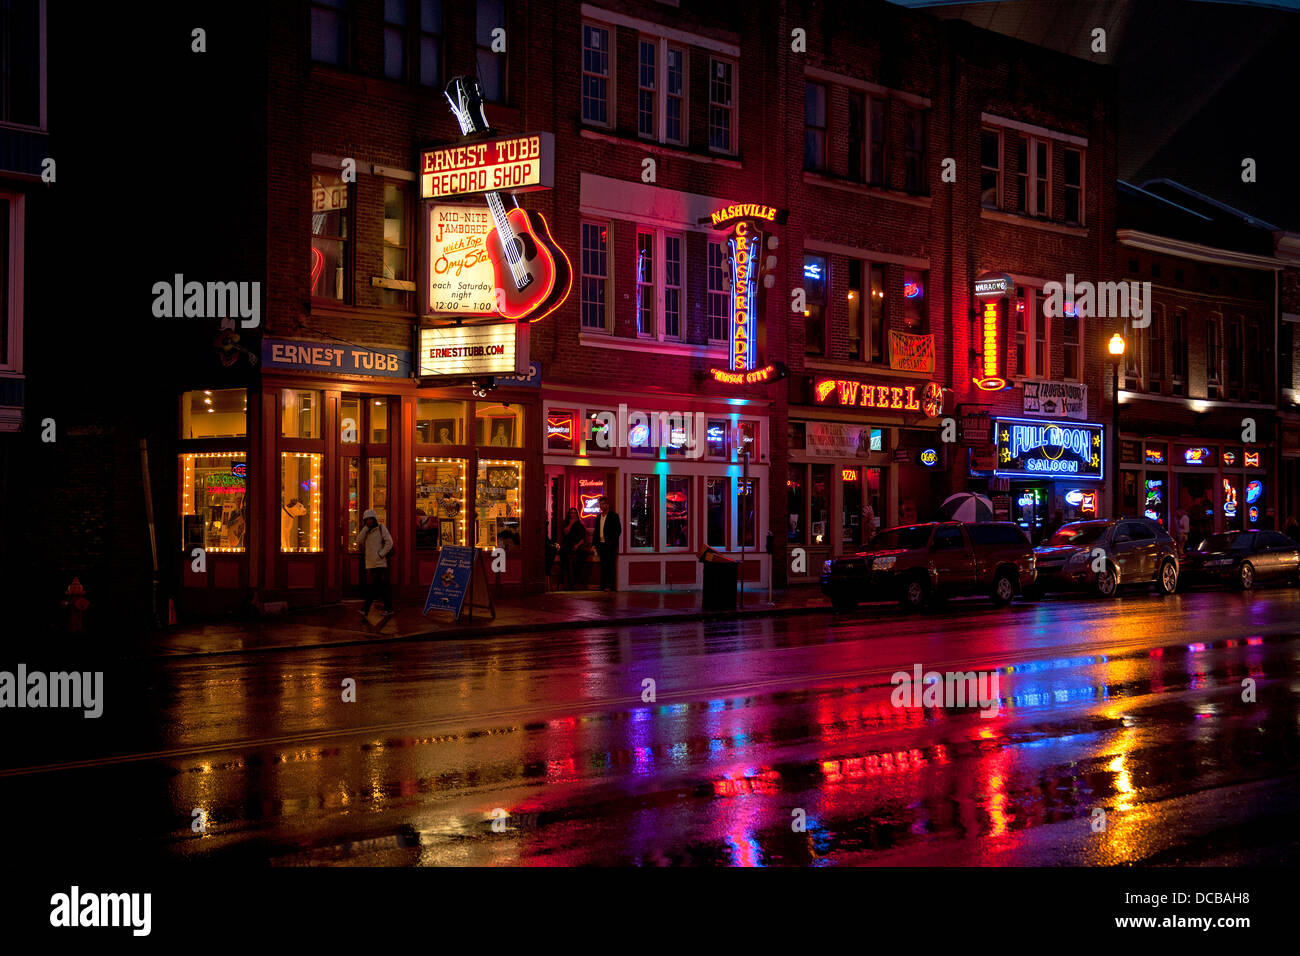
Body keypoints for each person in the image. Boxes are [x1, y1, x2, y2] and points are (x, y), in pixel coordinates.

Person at [356, 508, 396, 619]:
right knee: (380, 586)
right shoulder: (366, 530)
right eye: (366, 519)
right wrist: (365, 529)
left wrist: (381, 554)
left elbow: (390, 542)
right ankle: (389, 608)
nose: (369, 521)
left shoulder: (381, 528)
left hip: (379, 562)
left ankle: (365, 609)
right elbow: (359, 540)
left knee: (373, 586)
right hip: (370, 562)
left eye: (370, 519)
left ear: (374, 519)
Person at [592, 496, 622, 591]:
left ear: (608, 505)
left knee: (610, 565)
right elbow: (596, 531)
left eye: (604, 504)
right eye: (601, 504)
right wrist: (594, 544)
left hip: (610, 545)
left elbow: (618, 530)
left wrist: (612, 541)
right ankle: (603, 585)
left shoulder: (614, 516)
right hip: (601, 545)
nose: (602, 506)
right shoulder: (598, 517)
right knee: (603, 565)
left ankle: (610, 585)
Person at [559, 507, 588, 589]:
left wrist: (577, 545)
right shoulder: (566, 523)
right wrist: (571, 524)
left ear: (577, 514)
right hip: (568, 544)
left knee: (581, 556)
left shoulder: (580, 524)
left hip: (578, 545)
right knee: (564, 556)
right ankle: (566, 582)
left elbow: (583, 538)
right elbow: (565, 532)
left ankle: (575, 582)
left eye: (575, 513)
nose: (573, 514)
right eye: (571, 513)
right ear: (569, 514)